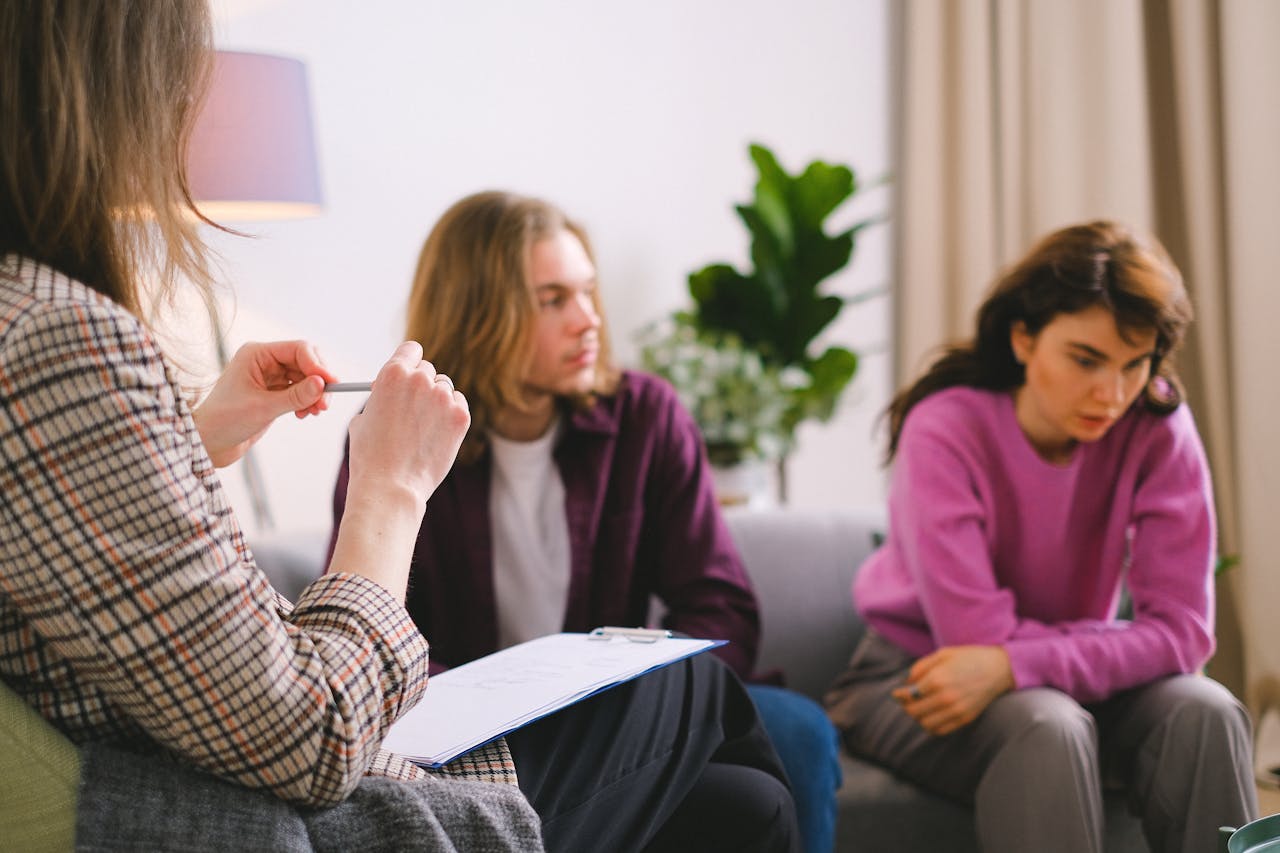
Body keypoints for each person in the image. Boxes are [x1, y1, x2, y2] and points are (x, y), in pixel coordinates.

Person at [0, 5, 797, 852]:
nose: (188, 108)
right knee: (691, 693)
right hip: (284, 800)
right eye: (553, 298)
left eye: (587, 293)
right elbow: (312, 736)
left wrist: (195, 437)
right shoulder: (60, 335)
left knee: (743, 804)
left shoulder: (28, 317)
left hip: (279, 760)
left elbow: (72, 552)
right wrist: (393, 485)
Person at [326, 190, 843, 852]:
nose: (589, 319)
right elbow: (368, 629)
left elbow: (721, 606)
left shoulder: (646, 416)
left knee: (791, 744)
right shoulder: (397, 437)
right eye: (553, 299)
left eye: (588, 292)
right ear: (480, 314)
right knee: (753, 797)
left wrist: (623, 697)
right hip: (474, 731)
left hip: (625, 709)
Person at [822, 220, 1257, 853]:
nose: (1111, 394)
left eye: (1134, 365)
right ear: (1024, 338)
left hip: (1053, 672)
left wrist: (1019, 662)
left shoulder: (1158, 424)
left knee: (1206, 710)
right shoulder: (945, 428)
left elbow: (1186, 634)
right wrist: (1034, 658)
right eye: (1086, 360)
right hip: (926, 675)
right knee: (1047, 726)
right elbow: (975, 638)